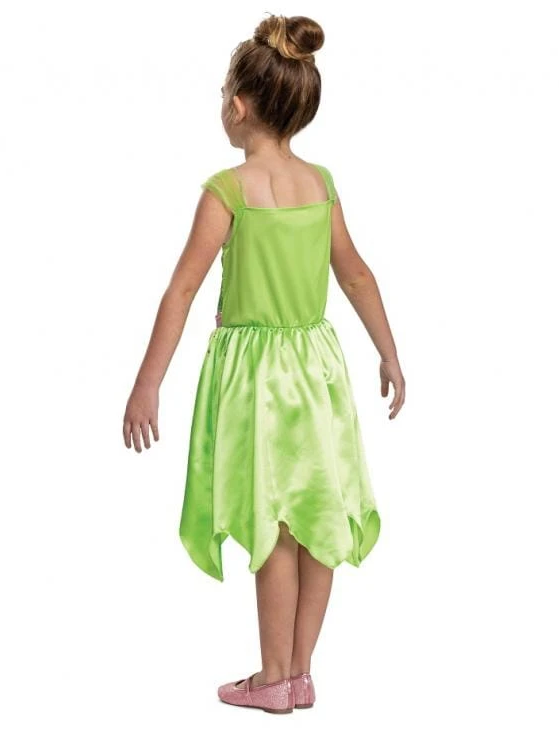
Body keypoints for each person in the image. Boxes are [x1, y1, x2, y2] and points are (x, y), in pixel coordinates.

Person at [122, 13, 405, 714]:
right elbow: (357, 274)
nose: (221, 101)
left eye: (224, 91)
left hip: (257, 378)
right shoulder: (320, 183)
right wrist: (389, 353)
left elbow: (182, 291)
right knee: (318, 515)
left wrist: (147, 383)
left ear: (239, 106)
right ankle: (300, 671)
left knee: (273, 520)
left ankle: (274, 675)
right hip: (317, 369)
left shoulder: (228, 189)